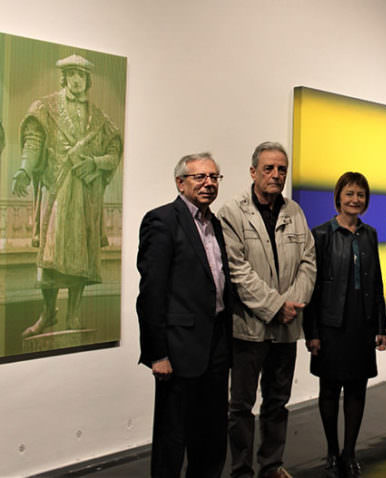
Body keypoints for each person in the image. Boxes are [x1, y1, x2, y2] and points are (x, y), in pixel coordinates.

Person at [217, 141, 316, 478]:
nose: (276, 175)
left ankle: (272, 464)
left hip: (287, 329)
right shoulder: (231, 212)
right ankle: (242, 470)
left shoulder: (295, 212)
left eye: (282, 169)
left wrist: (293, 304)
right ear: (253, 172)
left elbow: (309, 262)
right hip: (249, 328)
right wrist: (275, 307)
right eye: (269, 168)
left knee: (277, 402)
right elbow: (237, 270)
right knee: (241, 406)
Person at [11, 54, 122, 337]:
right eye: (72, 74)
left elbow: (114, 151)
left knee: (81, 256)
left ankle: (73, 315)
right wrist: (24, 169)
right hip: (57, 189)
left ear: (87, 80)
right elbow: (33, 141)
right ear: (64, 78)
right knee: (50, 253)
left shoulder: (99, 118)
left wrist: (95, 164)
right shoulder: (45, 107)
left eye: (81, 76)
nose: (76, 80)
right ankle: (48, 313)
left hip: (85, 195)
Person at [136, 152, 232, 477]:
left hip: (216, 346)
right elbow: (151, 293)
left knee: (212, 436)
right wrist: (157, 354)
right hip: (178, 351)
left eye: (214, 177)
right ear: (180, 182)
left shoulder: (214, 224)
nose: (209, 183)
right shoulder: (162, 220)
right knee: (172, 438)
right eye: (200, 177)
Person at [303, 172, 386, 478]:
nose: (355, 200)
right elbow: (311, 288)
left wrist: (381, 326)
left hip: (362, 324)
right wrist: (310, 332)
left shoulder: (369, 234)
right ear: (338, 197)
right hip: (330, 325)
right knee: (329, 390)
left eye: (361, 195)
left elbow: (376, 283)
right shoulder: (321, 234)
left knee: (357, 390)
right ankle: (331, 450)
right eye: (350, 193)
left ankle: (350, 452)